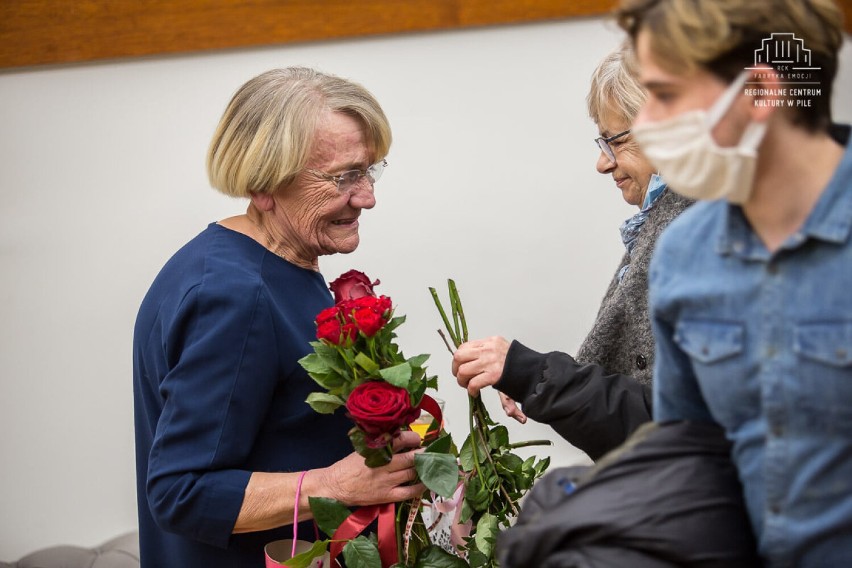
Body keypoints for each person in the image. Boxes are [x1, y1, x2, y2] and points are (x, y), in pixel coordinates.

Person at [132, 67, 424, 567]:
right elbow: (179, 492)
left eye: (369, 171)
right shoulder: (233, 295)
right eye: (343, 177)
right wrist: (335, 484)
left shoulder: (270, 260)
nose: (367, 197)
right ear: (265, 183)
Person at [616, 0, 851, 565]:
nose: (645, 126)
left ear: (763, 91)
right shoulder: (684, 254)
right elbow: (690, 462)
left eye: (665, 95)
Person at [452, 44, 692, 460]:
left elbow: (674, 427)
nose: (603, 163)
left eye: (615, 141)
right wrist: (525, 377)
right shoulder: (669, 222)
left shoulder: (696, 234)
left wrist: (528, 372)